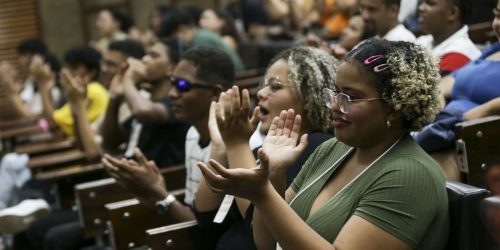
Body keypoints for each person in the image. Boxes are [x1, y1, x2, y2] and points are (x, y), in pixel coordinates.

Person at [199, 38, 449, 249]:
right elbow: (267, 242)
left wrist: (262, 194)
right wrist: (273, 174)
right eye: (335, 93)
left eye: (350, 97)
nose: (334, 106)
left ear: (395, 107)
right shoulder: (334, 149)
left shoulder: (411, 175)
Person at [194, 46, 338, 249]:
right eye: (264, 85)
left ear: (309, 96)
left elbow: (257, 223)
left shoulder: (319, 146)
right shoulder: (260, 151)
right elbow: (207, 216)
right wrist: (220, 146)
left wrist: (237, 144)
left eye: (275, 87)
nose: (261, 92)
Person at [102, 46, 235, 231]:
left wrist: (159, 194)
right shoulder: (193, 134)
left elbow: (209, 231)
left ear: (215, 93)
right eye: (173, 83)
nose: (172, 93)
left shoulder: (232, 147)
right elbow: (193, 214)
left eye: (182, 86)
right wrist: (152, 192)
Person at [414, 1, 500, 179]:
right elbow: (446, 83)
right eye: (498, 15)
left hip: (466, 136)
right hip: (441, 121)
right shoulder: (492, 50)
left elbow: (482, 113)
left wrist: (478, 114)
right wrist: (437, 102)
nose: (498, 24)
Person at [159, 9, 245, 71]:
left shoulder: (201, 40)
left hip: (238, 80)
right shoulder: (200, 35)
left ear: (182, 29)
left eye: (174, 38)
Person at [416, 0, 480, 76]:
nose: (421, 8)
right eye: (422, 2)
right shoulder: (423, 41)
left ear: (452, 13)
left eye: (430, 3)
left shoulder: (459, 56)